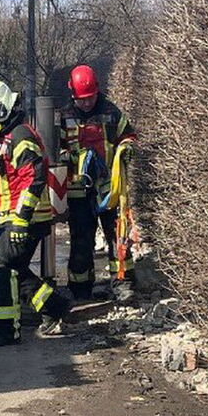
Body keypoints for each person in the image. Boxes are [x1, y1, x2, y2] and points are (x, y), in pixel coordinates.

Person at [0, 79, 71, 344]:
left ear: (0, 109)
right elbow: (14, 178)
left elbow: (34, 179)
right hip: (18, 216)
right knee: (16, 269)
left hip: (25, 218)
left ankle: (4, 330)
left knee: (1, 271)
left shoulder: (21, 137)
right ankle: (53, 308)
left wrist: (20, 220)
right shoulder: (11, 137)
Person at [60, 65, 137, 301]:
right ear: (73, 94)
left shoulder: (111, 113)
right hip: (77, 190)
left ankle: (123, 282)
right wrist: (70, 158)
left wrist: (125, 148)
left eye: (90, 98)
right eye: (81, 99)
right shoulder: (64, 117)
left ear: (97, 91)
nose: (86, 104)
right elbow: (56, 149)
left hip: (108, 189)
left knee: (117, 235)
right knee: (81, 238)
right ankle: (80, 288)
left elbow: (129, 136)